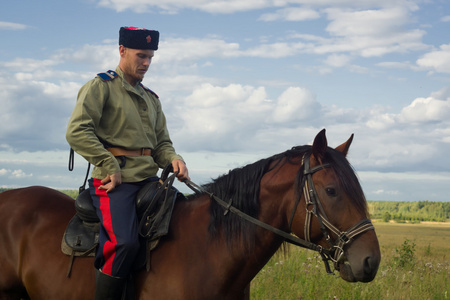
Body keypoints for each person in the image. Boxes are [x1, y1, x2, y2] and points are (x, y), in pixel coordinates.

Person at [66, 26, 189, 299]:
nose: (146, 63)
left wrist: (174, 159)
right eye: (141, 55)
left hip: (149, 181)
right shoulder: (101, 87)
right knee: (123, 243)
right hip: (114, 181)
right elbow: (77, 131)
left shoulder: (151, 99)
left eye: (150, 58)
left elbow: (161, 145)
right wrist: (107, 164)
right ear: (122, 51)